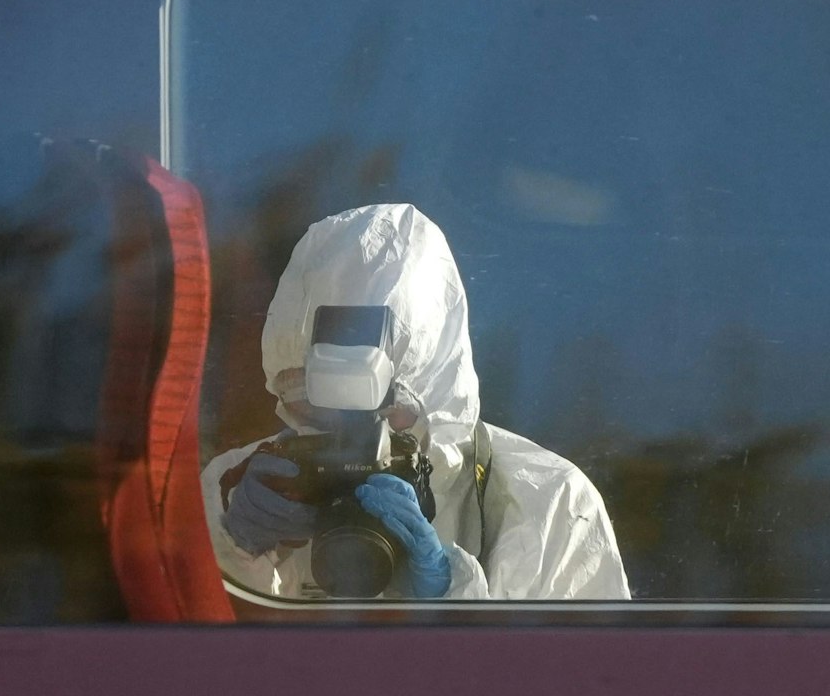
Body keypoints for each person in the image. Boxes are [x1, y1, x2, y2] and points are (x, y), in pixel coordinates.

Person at [201, 204, 630, 600]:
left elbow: (590, 677)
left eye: (381, 410)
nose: (349, 436)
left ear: (437, 390)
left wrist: (452, 599)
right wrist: (232, 553)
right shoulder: (230, 494)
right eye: (315, 401)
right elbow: (187, 668)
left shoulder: (548, 503)